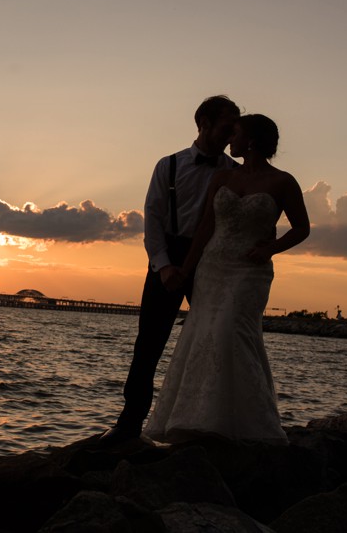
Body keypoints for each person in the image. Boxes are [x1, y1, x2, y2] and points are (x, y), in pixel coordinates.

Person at [143, 114, 310, 443]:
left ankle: (248, 424)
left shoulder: (283, 182)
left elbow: (302, 228)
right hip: (212, 267)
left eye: (234, 133)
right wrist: (186, 269)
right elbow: (206, 227)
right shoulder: (222, 178)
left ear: (250, 140)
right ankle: (196, 420)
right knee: (204, 336)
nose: (228, 140)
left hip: (250, 270)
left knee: (232, 331)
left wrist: (272, 249)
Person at [98, 95, 241, 445]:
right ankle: (130, 423)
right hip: (170, 256)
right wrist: (163, 267)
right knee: (149, 343)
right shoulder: (169, 165)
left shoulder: (236, 173)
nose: (233, 132)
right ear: (204, 123)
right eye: (227, 124)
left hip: (212, 260)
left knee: (215, 341)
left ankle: (211, 422)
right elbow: (154, 218)